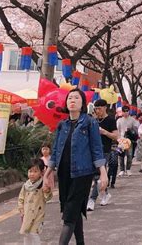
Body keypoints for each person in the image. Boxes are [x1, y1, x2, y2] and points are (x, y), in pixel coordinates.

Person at [45, 88, 107, 245]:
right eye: (70, 98)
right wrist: (48, 171)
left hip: (83, 174)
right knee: (73, 209)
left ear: (83, 103)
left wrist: (103, 171)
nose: (72, 100)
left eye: (76, 98)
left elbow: (96, 148)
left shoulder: (90, 122)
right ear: (66, 103)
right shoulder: (62, 125)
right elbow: (56, 149)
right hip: (64, 173)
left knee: (69, 215)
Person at [87, 99, 118, 211]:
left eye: (99, 108)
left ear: (105, 107)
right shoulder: (93, 120)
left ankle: (92, 199)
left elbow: (115, 136)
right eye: (96, 109)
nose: (97, 111)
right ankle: (105, 194)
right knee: (98, 176)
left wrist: (104, 132)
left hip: (105, 150)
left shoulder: (110, 120)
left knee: (98, 174)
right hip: (92, 151)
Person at [18, 158, 53, 245]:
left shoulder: (43, 185)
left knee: (34, 234)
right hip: (27, 214)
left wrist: (47, 190)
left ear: (41, 172)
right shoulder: (26, 186)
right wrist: (21, 210)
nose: (32, 174)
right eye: (30, 171)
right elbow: (20, 198)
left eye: (35, 171)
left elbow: (47, 198)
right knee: (26, 233)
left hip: (38, 215)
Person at [116, 105, 138, 177]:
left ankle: (128, 169)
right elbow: (117, 130)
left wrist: (131, 130)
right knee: (121, 155)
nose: (126, 113)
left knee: (129, 155)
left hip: (129, 140)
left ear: (129, 111)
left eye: (127, 111)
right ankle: (122, 170)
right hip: (121, 139)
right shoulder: (119, 120)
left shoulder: (132, 120)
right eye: (124, 111)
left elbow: (136, 129)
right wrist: (118, 139)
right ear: (122, 112)